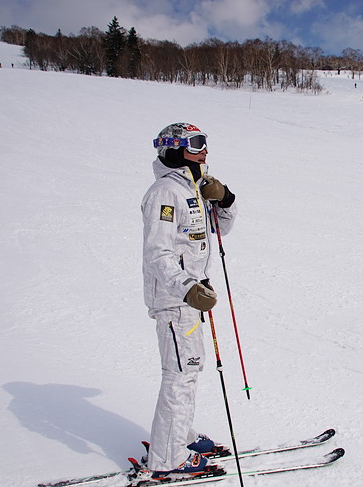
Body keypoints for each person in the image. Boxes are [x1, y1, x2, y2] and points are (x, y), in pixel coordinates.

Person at [139, 122, 237, 481]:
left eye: (205, 143)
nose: (204, 151)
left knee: (190, 370)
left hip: (191, 299)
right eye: (196, 145)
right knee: (179, 376)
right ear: (176, 150)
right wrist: (187, 288)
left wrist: (224, 198)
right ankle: (168, 459)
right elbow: (158, 253)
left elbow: (220, 229)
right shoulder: (165, 192)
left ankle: (180, 438)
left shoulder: (193, 188)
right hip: (175, 300)